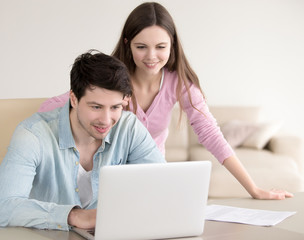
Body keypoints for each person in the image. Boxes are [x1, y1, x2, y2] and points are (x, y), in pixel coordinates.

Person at [38, 2, 293, 200]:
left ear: (172, 44)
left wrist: (254, 189)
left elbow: (212, 135)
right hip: (109, 178)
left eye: (160, 46)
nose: (151, 56)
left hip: (153, 178)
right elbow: (50, 108)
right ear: (127, 44)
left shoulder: (178, 83)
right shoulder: (111, 80)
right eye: (141, 47)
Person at [0, 50, 165, 231]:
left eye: (115, 107)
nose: (106, 120)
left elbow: (163, 186)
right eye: (96, 107)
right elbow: (3, 209)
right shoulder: (33, 135)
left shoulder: (129, 128)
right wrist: (73, 216)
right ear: (73, 99)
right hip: (51, 235)